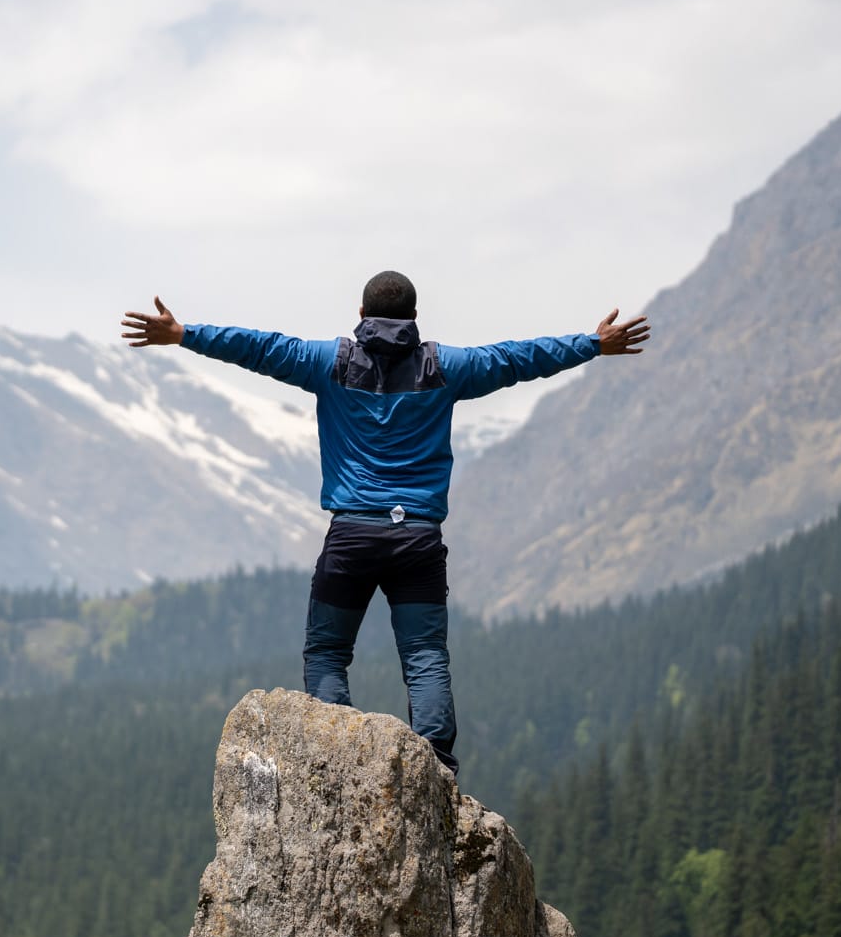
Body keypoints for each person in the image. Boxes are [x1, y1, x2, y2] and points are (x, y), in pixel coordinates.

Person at [121, 270, 650, 778]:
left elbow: (258, 347)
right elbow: (517, 359)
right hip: (418, 538)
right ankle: (437, 771)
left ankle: (336, 763)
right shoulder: (448, 367)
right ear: (415, 317)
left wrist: (186, 334)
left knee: (328, 652)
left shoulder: (325, 361)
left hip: (352, 536)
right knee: (423, 655)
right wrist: (591, 344)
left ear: (360, 314)